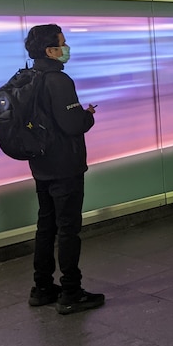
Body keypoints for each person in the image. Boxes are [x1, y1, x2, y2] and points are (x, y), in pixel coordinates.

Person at [23, 24, 104, 315]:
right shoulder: (58, 80)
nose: (66, 48)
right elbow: (72, 125)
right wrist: (87, 116)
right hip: (65, 166)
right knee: (68, 229)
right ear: (51, 51)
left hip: (41, 164)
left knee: (46, 226)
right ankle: (71, 291)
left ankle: (42, 287)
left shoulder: (28, 77)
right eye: (63, 44)